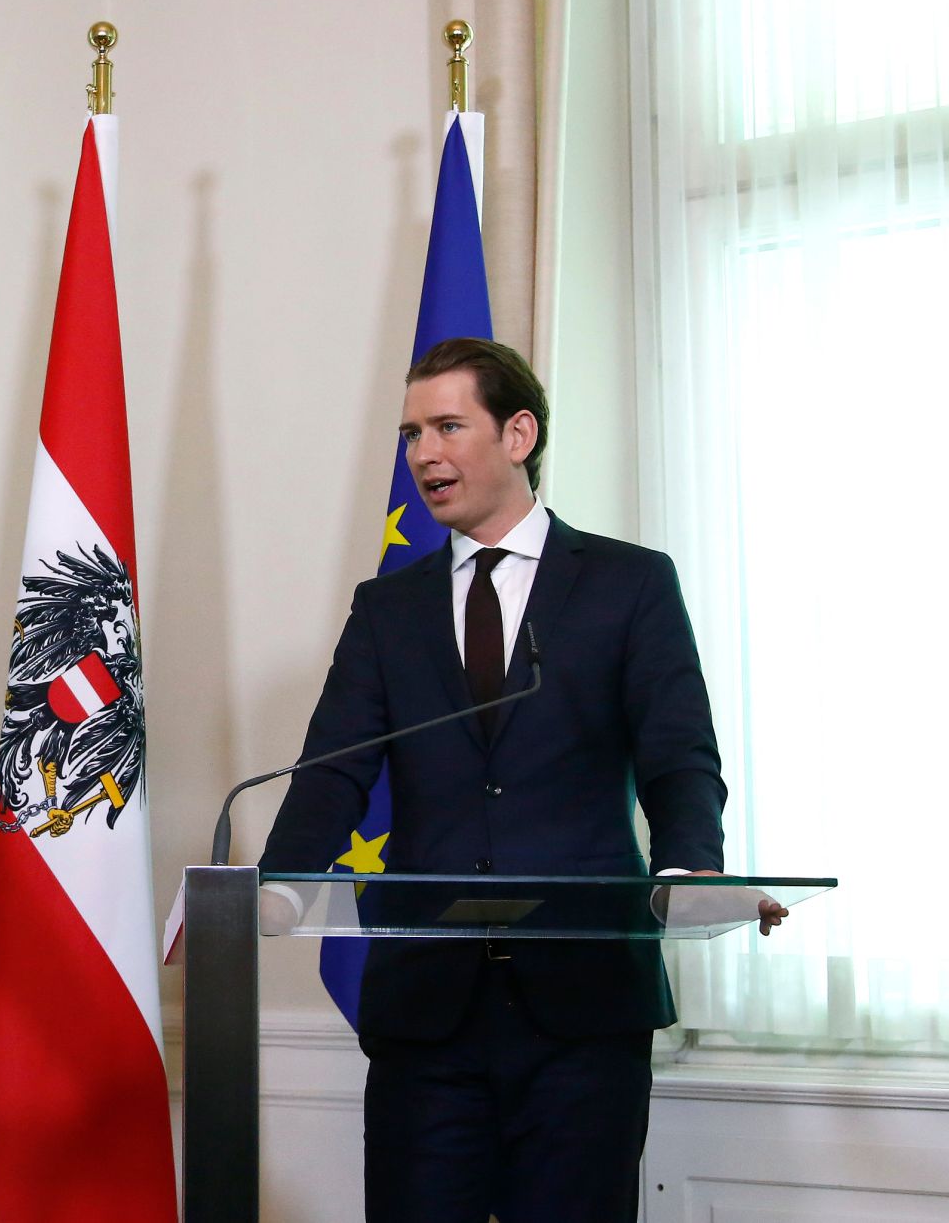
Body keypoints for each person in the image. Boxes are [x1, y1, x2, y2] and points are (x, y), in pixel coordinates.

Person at [259, 339, 780, 1223]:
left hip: (584, 1010)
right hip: (428, 1016)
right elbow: (332, 771)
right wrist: (269, 888)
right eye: (411, 432)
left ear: (518, 433)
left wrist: (691, 870)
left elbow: (678, 755)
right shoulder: (388, 608)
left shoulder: (629, 584)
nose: (423, 452)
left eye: (448, 426)